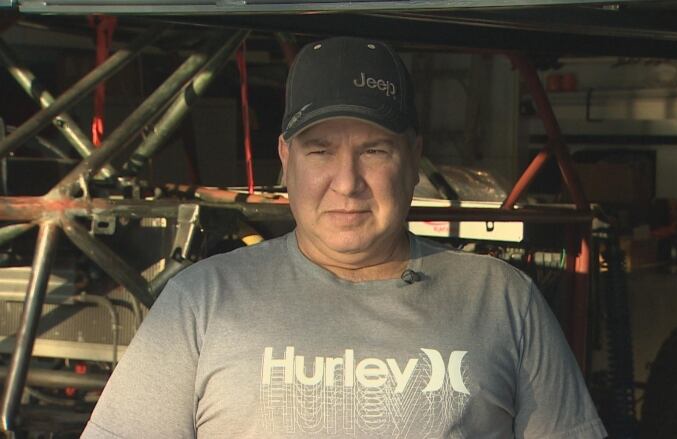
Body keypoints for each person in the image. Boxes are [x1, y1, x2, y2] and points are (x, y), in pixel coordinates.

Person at [83, 37, 607, 438]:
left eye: (375, 150)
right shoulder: (201, 300)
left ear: (412, 161)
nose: (347, 181)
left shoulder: (500, 299)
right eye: (320, 150)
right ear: (286, 161)